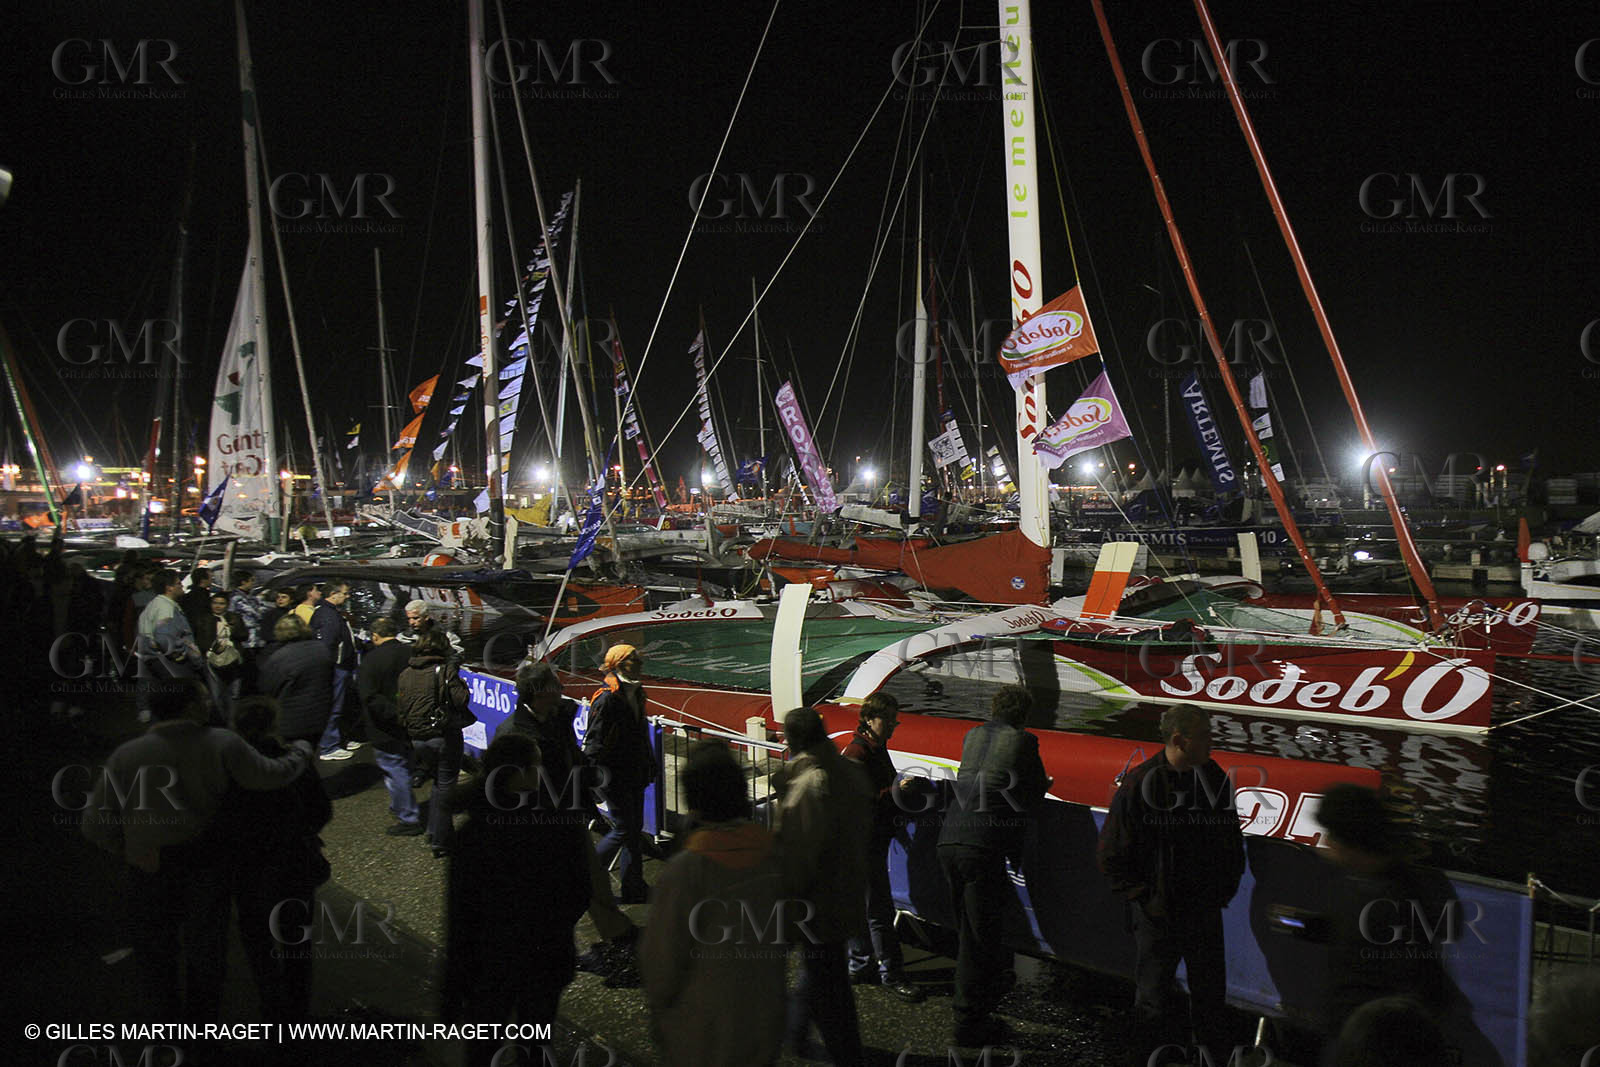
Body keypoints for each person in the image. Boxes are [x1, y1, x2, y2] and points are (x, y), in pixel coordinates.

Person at [79, 679, 313, 1021]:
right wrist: (302, 752)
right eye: (202, 697)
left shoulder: (127, 755)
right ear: (189, 705)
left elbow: (94, 823)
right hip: (205, 865)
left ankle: (167, 1030)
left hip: (148, 868)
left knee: (157, 955)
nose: (208, 703)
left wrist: (131, 849)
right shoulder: (220, 743)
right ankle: (203, 1034)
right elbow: (270, 775)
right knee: (206, 954)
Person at [1098, 704, 1245, 1062]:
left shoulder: (1212, 776)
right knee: (1154, 1001)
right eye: (1206, 734)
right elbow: (1111, 853)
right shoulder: (1141, 784)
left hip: (1202, 910)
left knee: (1209, 998)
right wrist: (1147, 899)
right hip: (1159, 915)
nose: (1213, 740)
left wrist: (1223, 889)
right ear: (1180, 740)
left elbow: (1229, 839)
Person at [444, 732, 590, 1067]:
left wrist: (452, 988)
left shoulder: (473, 832)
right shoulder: (557, 824)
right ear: (520, 773)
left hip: (488, 963)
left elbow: (459, 916)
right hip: (541, 960)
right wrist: (554, 929)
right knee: (535, 1046)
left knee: (484, 1048)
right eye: (535, 765)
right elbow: (579, 891)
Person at [640, 740, 788, 1066]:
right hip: (762, 1019)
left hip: (703, 1029)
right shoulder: (772, 856)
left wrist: (661, 1015)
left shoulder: (686, 871)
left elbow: (662, 961)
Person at [507, 660, 640, 983]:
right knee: (568, 895)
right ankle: (551, 952)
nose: (563, 688)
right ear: (540, 693)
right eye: (555, 684)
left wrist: (589, 785)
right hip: (544, 830)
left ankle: (619, 941)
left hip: (570, 819)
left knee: (594, 887)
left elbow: (574, 759)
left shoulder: (557, 717)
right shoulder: (516, 737)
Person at [937, 684, 1051, 1047]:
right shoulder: (1024, 741)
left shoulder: (972, 735)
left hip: (949, 839)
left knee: (967, 930)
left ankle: (974, 1006)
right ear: (1022, 713)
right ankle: (969, 1023)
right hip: (981, 845)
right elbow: (1033, 792)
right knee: (979, 936)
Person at [213, 695, 333, 1020]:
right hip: (294, 863)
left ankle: (271, 1005)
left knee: (257, 941)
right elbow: (322, 809)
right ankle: (297, 1011)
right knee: (297, 943)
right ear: (273, 725)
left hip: (248, 868)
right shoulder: (294, 763)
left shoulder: (228, 767)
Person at [775, 706, 872, 1067]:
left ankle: (845, 1054)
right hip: (844, 893)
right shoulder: (849, 773)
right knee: (820, 972)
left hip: (817, 902)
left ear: (791, 740)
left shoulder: (809, 785)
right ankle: (797, 1034)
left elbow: (798, 855)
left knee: (829, 985)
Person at [842, 692, 923, 1002]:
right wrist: (895, 790)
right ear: (868, 719)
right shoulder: (859, 752)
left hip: (863, 840)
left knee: (864, 907)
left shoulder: (871, 749)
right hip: (863, 842)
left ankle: (859, 964)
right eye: (887, 720)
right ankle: (892, 973)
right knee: (879, 909)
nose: (892, 726)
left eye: (894, 721)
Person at [583, 644, 655, 904]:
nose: (640, 664)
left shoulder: (637, 692)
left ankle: (634, 887)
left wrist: (650, 763)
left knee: (633, 830)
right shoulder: (607, 698)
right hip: (614, 775)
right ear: (621, 664)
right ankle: (587, 877)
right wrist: (591, 781)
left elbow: (640, 733)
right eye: (635, 660)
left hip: (634, 771)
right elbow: (595, 741)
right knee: (624, 828)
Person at [396, 630, 470, 857]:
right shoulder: (444, 670)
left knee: (438, 783)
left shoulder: (405, 673)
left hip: (417, 738)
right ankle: (441, 839)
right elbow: (461, 699)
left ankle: (434, 829)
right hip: (442, 735)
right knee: (446, 786)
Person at [358, 617, 421, 835]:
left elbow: (368, 695)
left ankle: (408, 817)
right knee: (406, 763)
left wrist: (394, 714)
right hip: (413, 721)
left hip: (384, 726)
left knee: (395, 769)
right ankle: (401, 804)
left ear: (375, 636)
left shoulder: (371, 660)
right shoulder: (412, 653)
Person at [256, 615, 337, 758]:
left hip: (289, 720)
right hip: (319, 715)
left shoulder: (280, 657)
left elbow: (266, 687)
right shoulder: (321, 649)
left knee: (291, 762)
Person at [309, 580, 362, 757]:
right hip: (336, 667)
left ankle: (340, 738)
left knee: (343, 704)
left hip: (342, 666)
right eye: (345, 593)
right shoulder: (328, 615)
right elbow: (327, 644)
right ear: (333, 595)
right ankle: (329, 746)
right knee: (335, 706)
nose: (347, 596)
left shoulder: (330, 613)